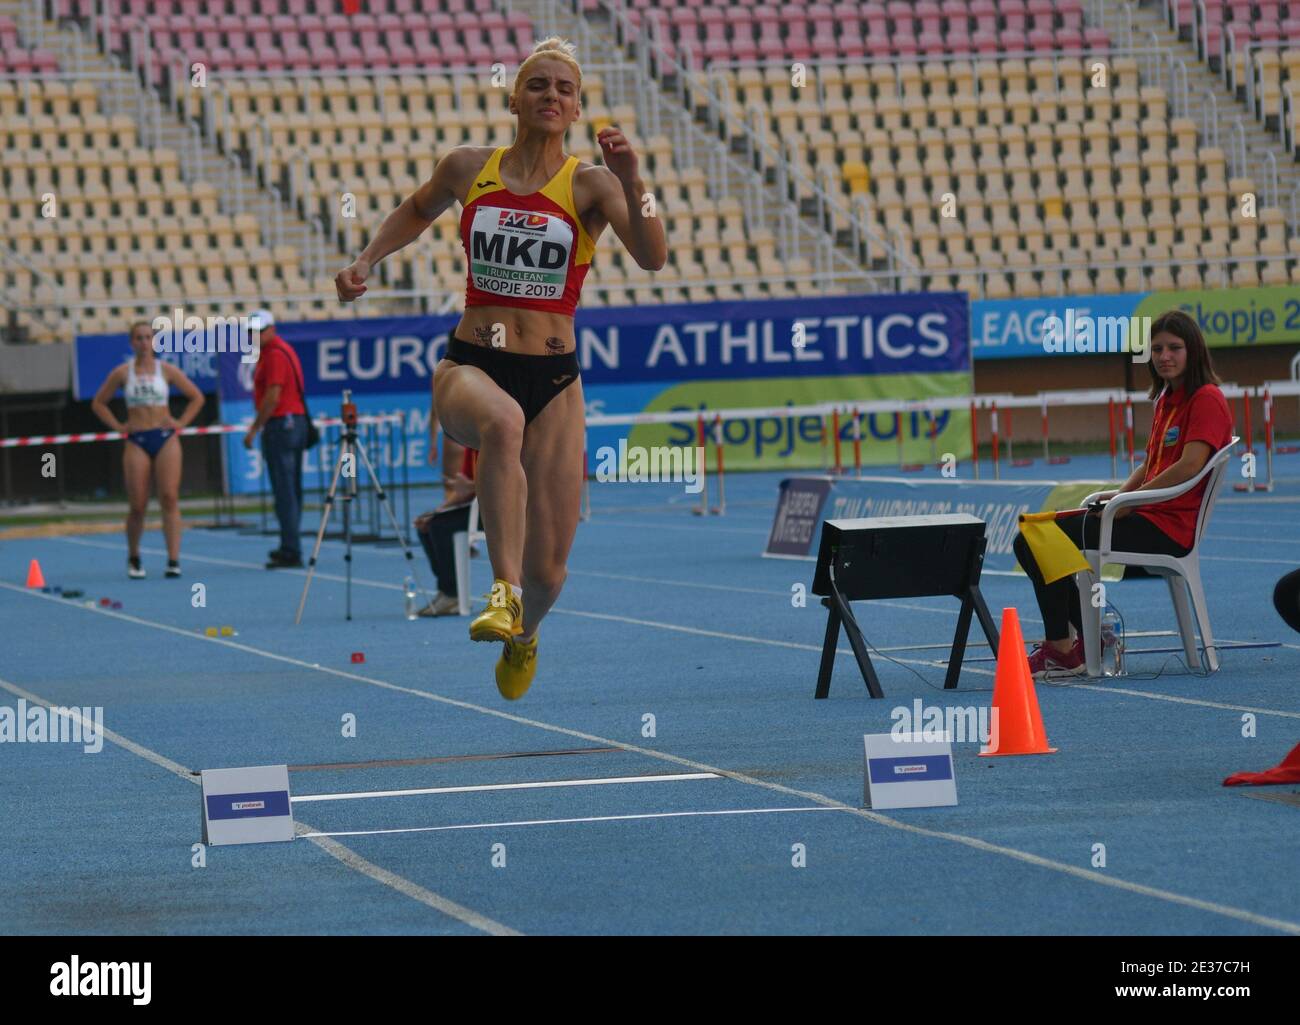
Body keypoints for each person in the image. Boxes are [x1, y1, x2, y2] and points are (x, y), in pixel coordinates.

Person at [334, 37, 666, 698]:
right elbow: (416, 208)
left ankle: (526, 627)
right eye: (537, 85)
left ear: (575, 109)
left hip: (556, 378)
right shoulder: (467, 167)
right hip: (471, 362)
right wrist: (366, 260)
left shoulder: (591, 184)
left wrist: (634, 180)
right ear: (513, 97)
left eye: (563, 89)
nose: (550, 96)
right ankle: (502, 591)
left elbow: (653, 254)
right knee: (502, 423)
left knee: (554, 572)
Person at [1013, 309, 1234, 677]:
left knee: (1035, 540)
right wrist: (1120, 497)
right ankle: (1085, 640)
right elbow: (1151, 464)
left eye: (1174, 348)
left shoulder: (1206, 398)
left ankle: (1066, 648)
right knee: (1035, 537)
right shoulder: (1167, 397)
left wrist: (1130, 503)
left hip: (1167, 528)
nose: (1164, 356)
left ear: (1193, 350)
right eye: (1157, 348)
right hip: (1146, 514)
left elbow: (1190, 466)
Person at [90, 320, 205, 579]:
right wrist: (118, 426)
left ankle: (173, 560)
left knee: (169, 498)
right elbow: (98, 403)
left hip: (165, 437)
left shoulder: (166, 370)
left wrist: (181, 422)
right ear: (132, 342)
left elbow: (197, 397)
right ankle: (134, 556)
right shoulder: (122, 372)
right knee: (138, 505)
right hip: (137, 439)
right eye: (139, 338)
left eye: (148, 337)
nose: (143, 342)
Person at [242, 309, 309, 569]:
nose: (254, 335)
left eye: (259, 330)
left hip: (282, 423)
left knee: (285, 490)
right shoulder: (278, 351)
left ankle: (291, 548)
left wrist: (254, 428)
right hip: (292, 421)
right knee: (290, 489)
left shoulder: (274, 354)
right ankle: (289, 544)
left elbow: (273, 396)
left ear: (272, 329)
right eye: (251, 331)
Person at [414, 446, 477, 617]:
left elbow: (504, 483)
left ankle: (452, 595)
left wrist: (471, 486)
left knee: (440, 526)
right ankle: (446, 591)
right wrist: (437, 511)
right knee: (428, 524)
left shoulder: (494, 443)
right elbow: (462, 492)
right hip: (477, 506)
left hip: (502, 509)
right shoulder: (472, 447)